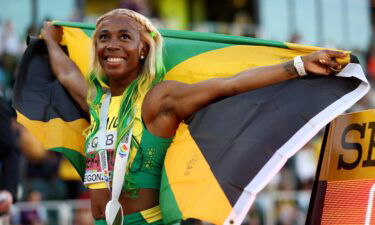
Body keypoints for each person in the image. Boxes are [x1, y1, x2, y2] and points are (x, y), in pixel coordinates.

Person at [40, 8, 347, 225]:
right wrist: (51, 41)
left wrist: (300, 65)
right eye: (104, 37)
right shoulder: (97, 101)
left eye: (124, 37)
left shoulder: (158, 99)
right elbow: (66, 72)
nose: (112, 45)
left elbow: (230, 83)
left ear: (144, 49)